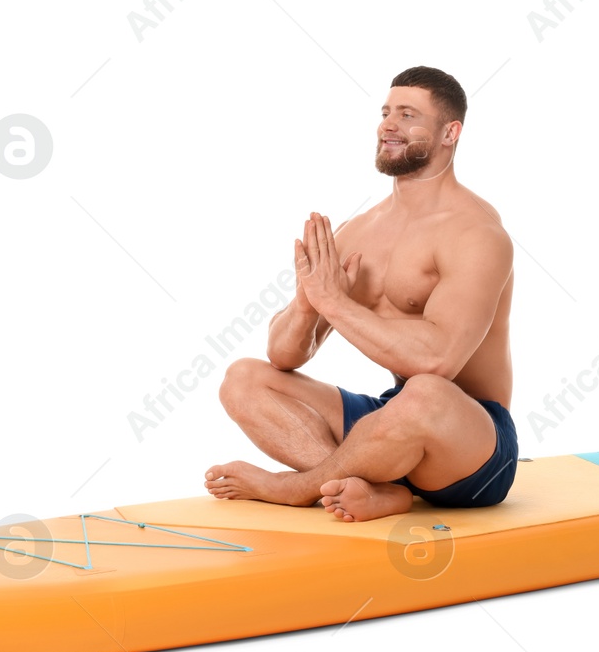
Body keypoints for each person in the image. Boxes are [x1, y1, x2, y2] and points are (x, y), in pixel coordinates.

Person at [204, 66, 518, 522]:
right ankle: (378, 488)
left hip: (472, 443)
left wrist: (336, 302)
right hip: (392, 419)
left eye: (408, 115)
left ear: (450, 132)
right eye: (386, 112)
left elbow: (437, 362)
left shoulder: (476, 234)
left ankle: (295, 488)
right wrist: (309, 301)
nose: (388, 125)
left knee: (426, 392)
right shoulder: (361, 231)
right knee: (244, 378)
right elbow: (284, 355)